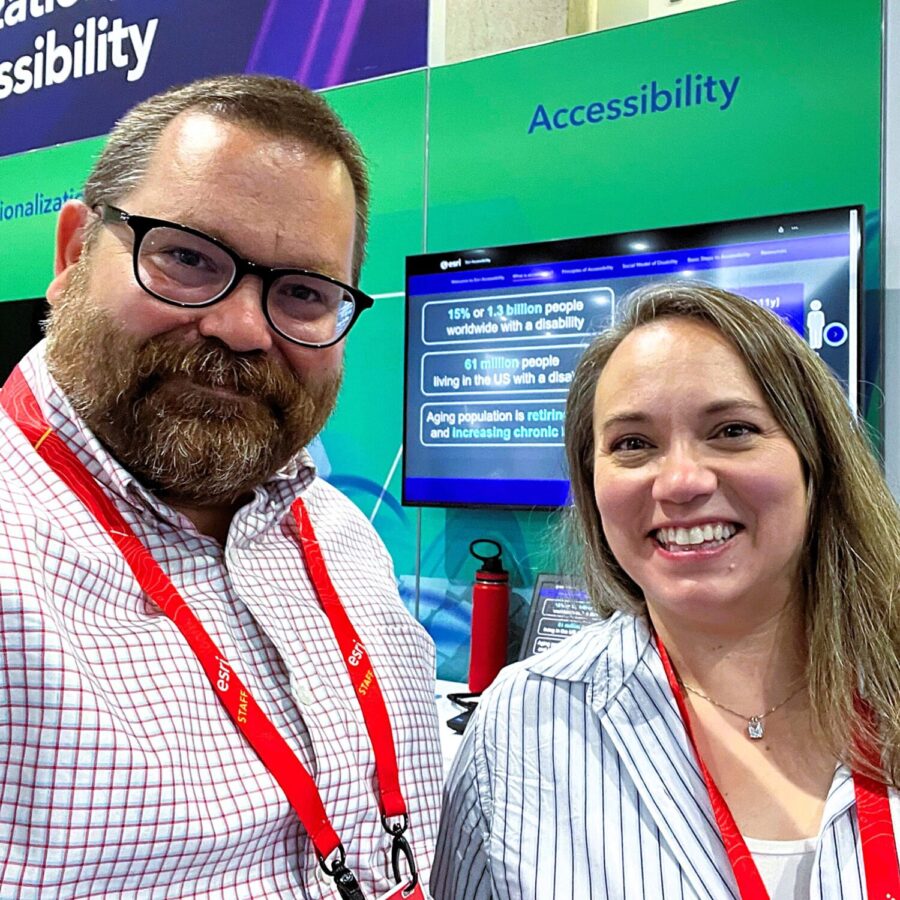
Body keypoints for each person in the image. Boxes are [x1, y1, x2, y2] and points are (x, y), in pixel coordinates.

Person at [0, 74, 443, 899]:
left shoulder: (337, 530)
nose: (242, 328)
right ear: (71, 256)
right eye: (187, 257)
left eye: (304, 293)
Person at [432, 283, 900, 899]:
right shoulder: (522, 725)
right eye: (632, 444)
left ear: (815, 460)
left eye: (732, 430)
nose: (680, 481)